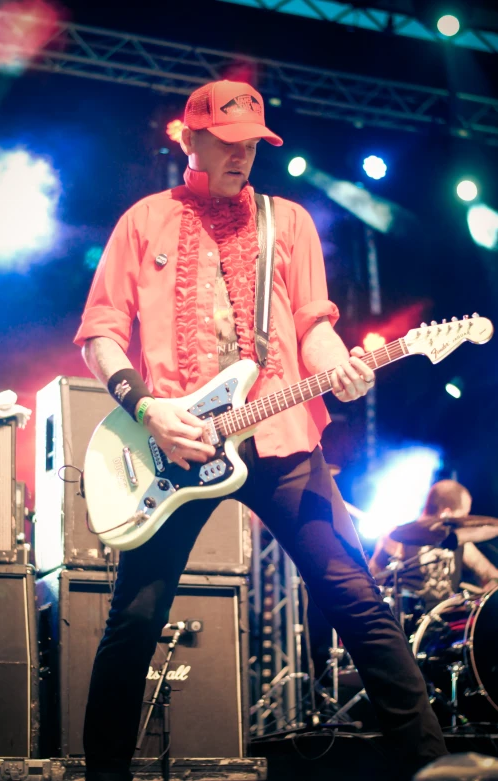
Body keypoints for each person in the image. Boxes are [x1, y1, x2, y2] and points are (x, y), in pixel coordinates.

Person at [74, 80, 447, 780]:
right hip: (173, 446)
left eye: (253, 144)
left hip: (279, 439)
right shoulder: (143, 220)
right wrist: (148, 407)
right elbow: (98, 335)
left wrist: (344, 367)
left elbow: (314, 327)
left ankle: (432, 764)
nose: (242, 155)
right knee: (133, 621)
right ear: (191, 139)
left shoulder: (290, 220)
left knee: (353, 595)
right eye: (227, 141)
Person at [369, 480, 498, 612]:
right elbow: (371, 581)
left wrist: (489, 593)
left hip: (446, 623)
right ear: (446, 513)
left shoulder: (458, 540)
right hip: (408, 620)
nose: (465, 522)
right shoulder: (399, 537)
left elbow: (492, 576)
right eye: (463, 516)